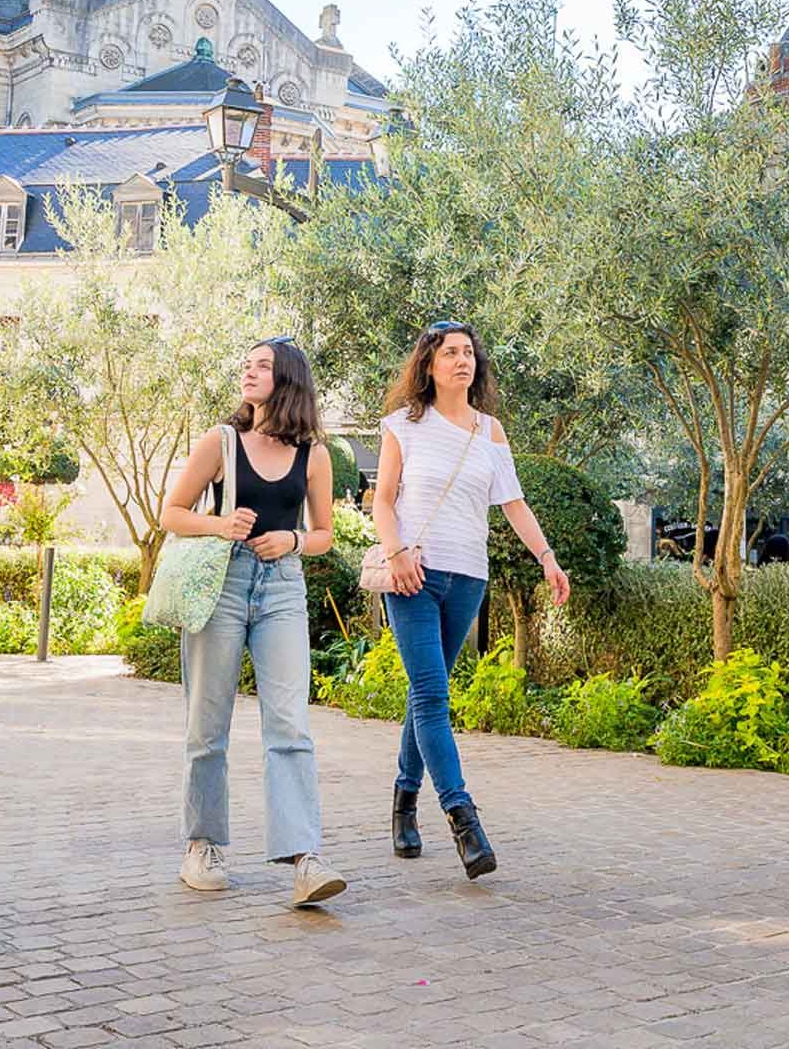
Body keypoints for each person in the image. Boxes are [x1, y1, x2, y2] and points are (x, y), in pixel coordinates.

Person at [372, 321, 569, 878]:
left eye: (468, 353)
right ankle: (464, 821)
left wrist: (548, 558)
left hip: (468, 578)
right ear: (428, 365)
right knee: (433, 697)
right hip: (413, 575)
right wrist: (396, 553)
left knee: (424, 694)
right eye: (450, 353)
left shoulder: (490, 431)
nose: (462, 360)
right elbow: (383, 502)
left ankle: (404, 799)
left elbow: (513, 504)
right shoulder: (403, 426)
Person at [159, 337, 345, 907]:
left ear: (288, 378)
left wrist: (291, 538)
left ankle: (304, 857)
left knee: (290, 724)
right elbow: (171, 513)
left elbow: (324, 534)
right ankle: (203, 844)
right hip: (224, 583)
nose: (250, 372)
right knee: (206, 723)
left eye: (262, 366)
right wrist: (219, 526)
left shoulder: (314, 453)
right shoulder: (220, 442)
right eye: (246, 364)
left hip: (283, 585)